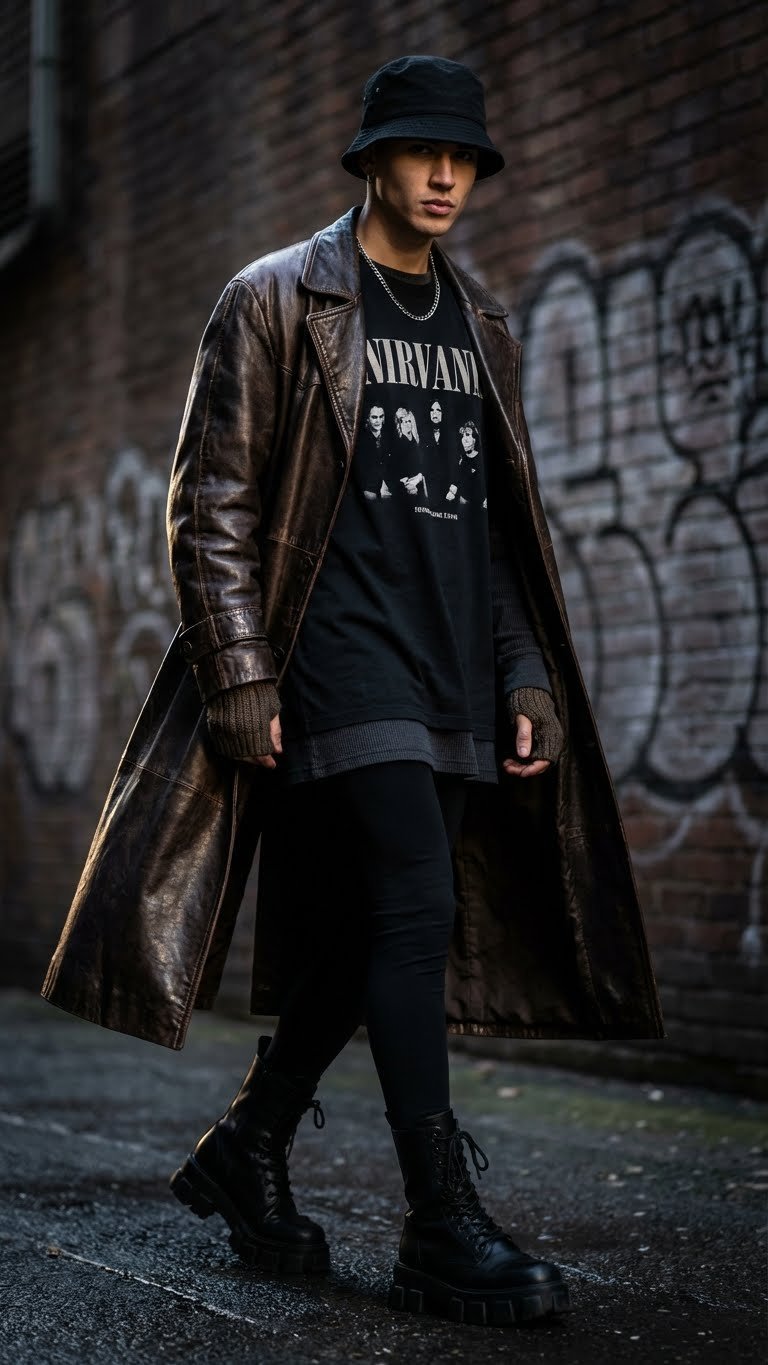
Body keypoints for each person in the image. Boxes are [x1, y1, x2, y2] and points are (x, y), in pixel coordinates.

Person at [42, 55, 664, 1329]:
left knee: (362, 932)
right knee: (418, 910)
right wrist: (239, 670)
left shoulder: (478, 325)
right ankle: (441, 1225)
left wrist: (523, 667)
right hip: (335, 663)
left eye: (466, 161)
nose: (447, 177)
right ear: (373, 160)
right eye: (424, 154)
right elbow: (211, 501)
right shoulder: (280, 298)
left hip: (447, 671)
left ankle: (249, 1146)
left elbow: (496, 529)